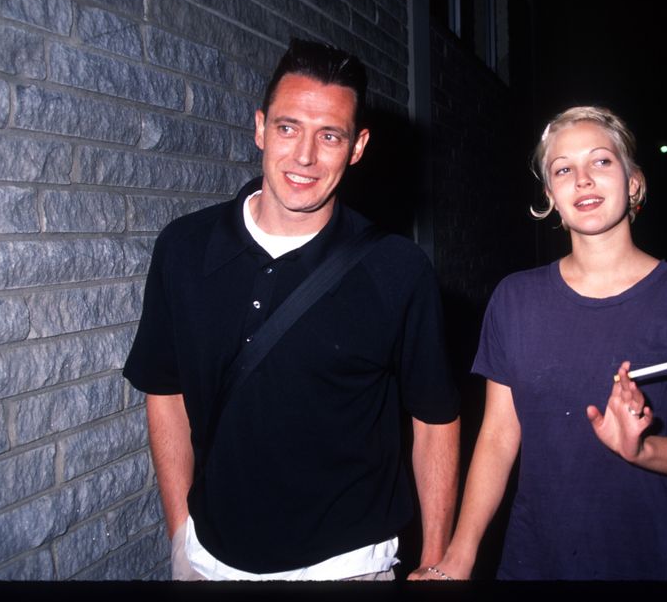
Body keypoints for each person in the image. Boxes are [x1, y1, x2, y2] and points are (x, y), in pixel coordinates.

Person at [123, 38, 461, 581]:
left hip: (351, 565)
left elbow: (435, 419)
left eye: (330, 135)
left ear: (357, 147)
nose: (305, 156)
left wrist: (436, 562)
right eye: (287, 128)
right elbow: (165, 391)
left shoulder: (398, 269)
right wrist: (180, 532)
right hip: (212, 560)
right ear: (259, 128)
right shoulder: (184, 248)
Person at [413, 106, 667, 581]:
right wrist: (459, 559)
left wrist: (644, 450)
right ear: (550, 195)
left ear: (633, 182)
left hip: (652, 562)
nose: (583, 180)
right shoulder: (514, 299)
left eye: (601, 162)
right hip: (532, 563)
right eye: (564, 169)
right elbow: (498, 436)